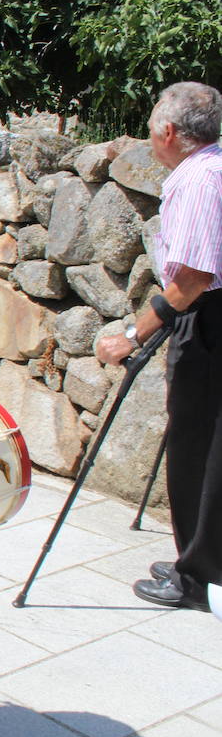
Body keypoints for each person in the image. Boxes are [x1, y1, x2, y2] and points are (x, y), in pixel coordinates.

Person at [97, 81, 222, 616]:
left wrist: (132, 334)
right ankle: (198, 557)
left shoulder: (198, 180)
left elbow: (193, 278)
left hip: (211, 322)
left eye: (151, 127)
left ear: (169, 131)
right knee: (202, 445)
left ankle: (196, 576)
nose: (149, 138)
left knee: (197, 449)